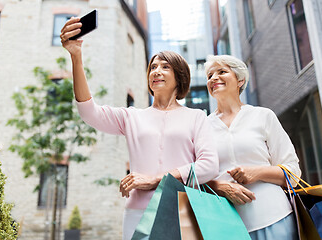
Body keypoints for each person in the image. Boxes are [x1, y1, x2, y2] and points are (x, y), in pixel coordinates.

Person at [60, 17, 219, 240]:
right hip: (138, 212)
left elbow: (209, 165)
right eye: (153, 67)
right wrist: (76, 57)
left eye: (165, 67)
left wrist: (155, 180)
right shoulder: (131, 116)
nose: (156, 71)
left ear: (180, 77)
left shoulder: (196, 117)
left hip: (183, 209)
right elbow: (88, 112)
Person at [204, 55, 301, 240]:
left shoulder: (263, 116)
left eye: (222, 72)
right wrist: (218, 185)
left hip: (276, 219)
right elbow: (192, 178)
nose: (214, 78)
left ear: (240, 80)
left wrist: (256, 172)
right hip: (226, 228)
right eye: (210, 76)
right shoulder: (202, 127)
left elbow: (294, 173)